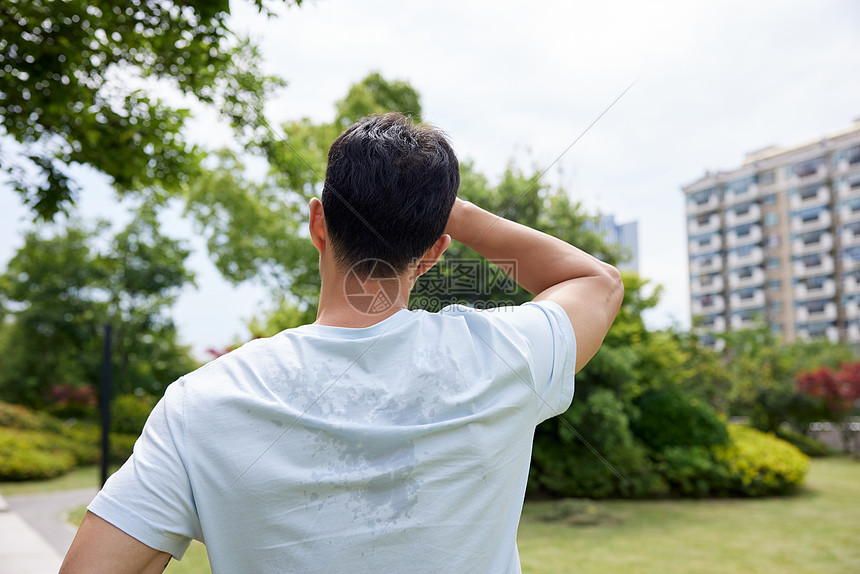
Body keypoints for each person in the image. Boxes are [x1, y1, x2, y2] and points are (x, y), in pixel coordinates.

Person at [60, 112, 623, 573]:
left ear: (318, 224)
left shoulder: (201, 403)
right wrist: (447, 211)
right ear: (434, 253)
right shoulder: (504, 356)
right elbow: (596, 282)